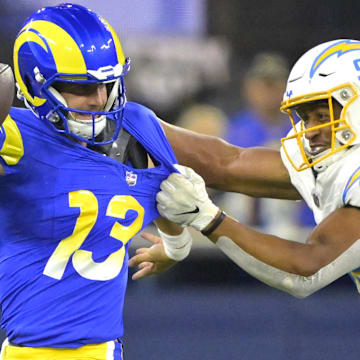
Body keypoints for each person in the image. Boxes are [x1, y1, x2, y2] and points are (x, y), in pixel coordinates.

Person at [0, 3, 187, 359]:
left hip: (101, 350)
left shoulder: (137, 127)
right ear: (36, 84)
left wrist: (176, 247)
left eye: (106, 83)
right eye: (81, 86)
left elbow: (169, 200)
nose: (99, 99)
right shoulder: (16, 137)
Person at [130, 39, 360, 299]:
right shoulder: (340, 155)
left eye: (322, 115)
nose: (310, 132)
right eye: (305, 118)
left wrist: (210, 219)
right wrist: (127, 118)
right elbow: (226, 164)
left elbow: (306, 269)